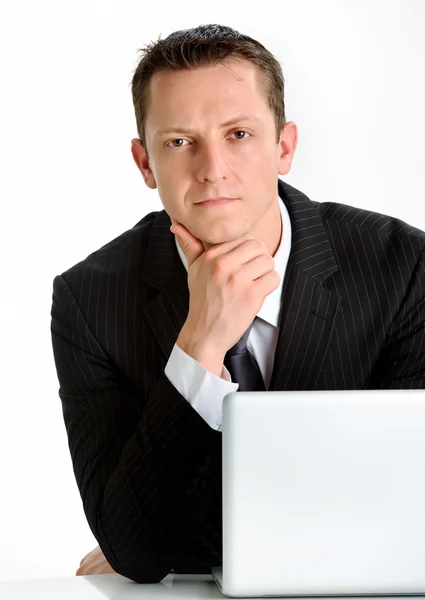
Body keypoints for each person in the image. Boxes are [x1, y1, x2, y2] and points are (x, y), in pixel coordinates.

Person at [50, 23, 425, 583]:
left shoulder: (404, 268)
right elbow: (135, 551)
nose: (212, 170)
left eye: (239, 134)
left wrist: (195, 550)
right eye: (179, 142)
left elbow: (409, 510)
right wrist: (200, 342)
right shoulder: (88, 298)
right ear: (145, 164)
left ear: (285, 147)